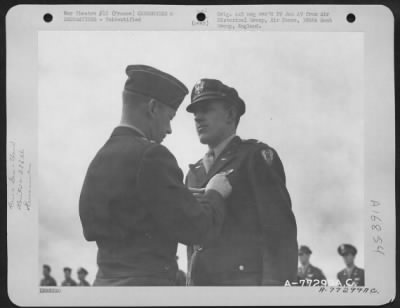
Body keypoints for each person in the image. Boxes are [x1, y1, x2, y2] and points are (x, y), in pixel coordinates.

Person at [79, 65, 232, 286]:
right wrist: (215, 194)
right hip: (146, 288)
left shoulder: (100, 158)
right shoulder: (152, 155)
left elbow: (94, 225)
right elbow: (198, 230)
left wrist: (177, 197)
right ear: (152, 108)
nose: (169, 129)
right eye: (169, 117)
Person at [185, 79, 298, 286]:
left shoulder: (255, 157)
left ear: (230, 115)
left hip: (244, 285)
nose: (198, 118)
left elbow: (279, 232)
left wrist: (275, 290)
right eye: (195, 113)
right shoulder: (194, 173)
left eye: (207, 109)